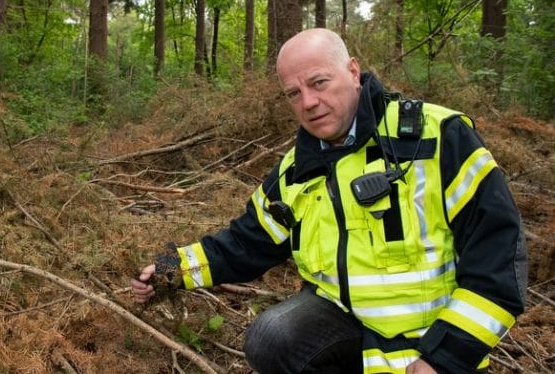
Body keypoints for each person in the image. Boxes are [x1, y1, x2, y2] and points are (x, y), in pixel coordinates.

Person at [131, 28, 527, 374]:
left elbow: (499, 257)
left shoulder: (435, 138)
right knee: (272, 337)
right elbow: (247, 242)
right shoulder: (297, 169)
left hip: (434, 348)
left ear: (353, 71)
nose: (308, 102)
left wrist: (446, 357)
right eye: (294, 93)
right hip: (350, 340)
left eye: (319, 82)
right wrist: (173, 270)